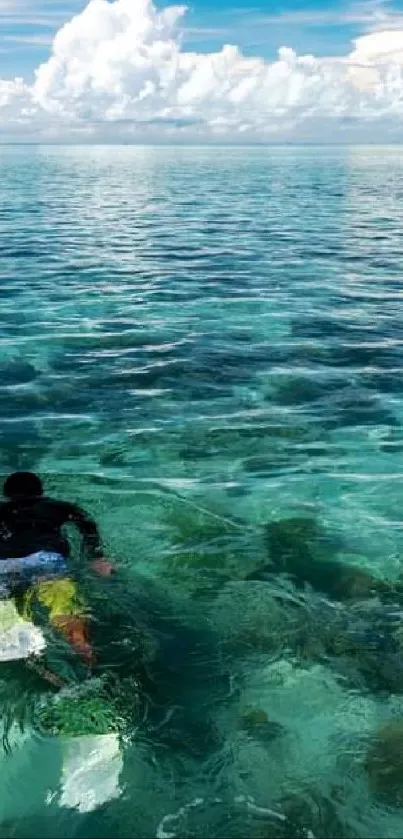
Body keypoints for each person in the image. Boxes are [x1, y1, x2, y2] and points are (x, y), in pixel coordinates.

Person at [0, 471, 114, 666]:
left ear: (7, 495)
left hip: (4, 564)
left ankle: (13, 639)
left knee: (5, 602)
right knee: (61, 603)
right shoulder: (56, 506)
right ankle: (78, 640)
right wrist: (97, 558)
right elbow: (86, 521)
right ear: (41, 491)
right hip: (45, 560)